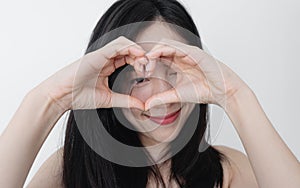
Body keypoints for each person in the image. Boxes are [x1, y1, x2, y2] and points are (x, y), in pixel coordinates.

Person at [1, 0, 299, 187]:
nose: (163, 95)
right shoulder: (70, 170)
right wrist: (51, 99)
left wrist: (234, 94)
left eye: (173, 73)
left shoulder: (229, 171)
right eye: (141, 78)